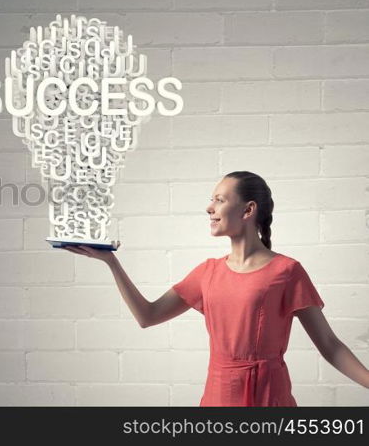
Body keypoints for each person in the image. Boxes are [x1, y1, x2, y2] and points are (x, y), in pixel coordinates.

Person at [64, 171, 369, 406]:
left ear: (248, 210)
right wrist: (111, 262)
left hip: (270, 400)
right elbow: (148, 315)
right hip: (219, 399)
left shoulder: (286, 271)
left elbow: (329, 345)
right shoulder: (207, 272)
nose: (209, 208)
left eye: (220, 200)